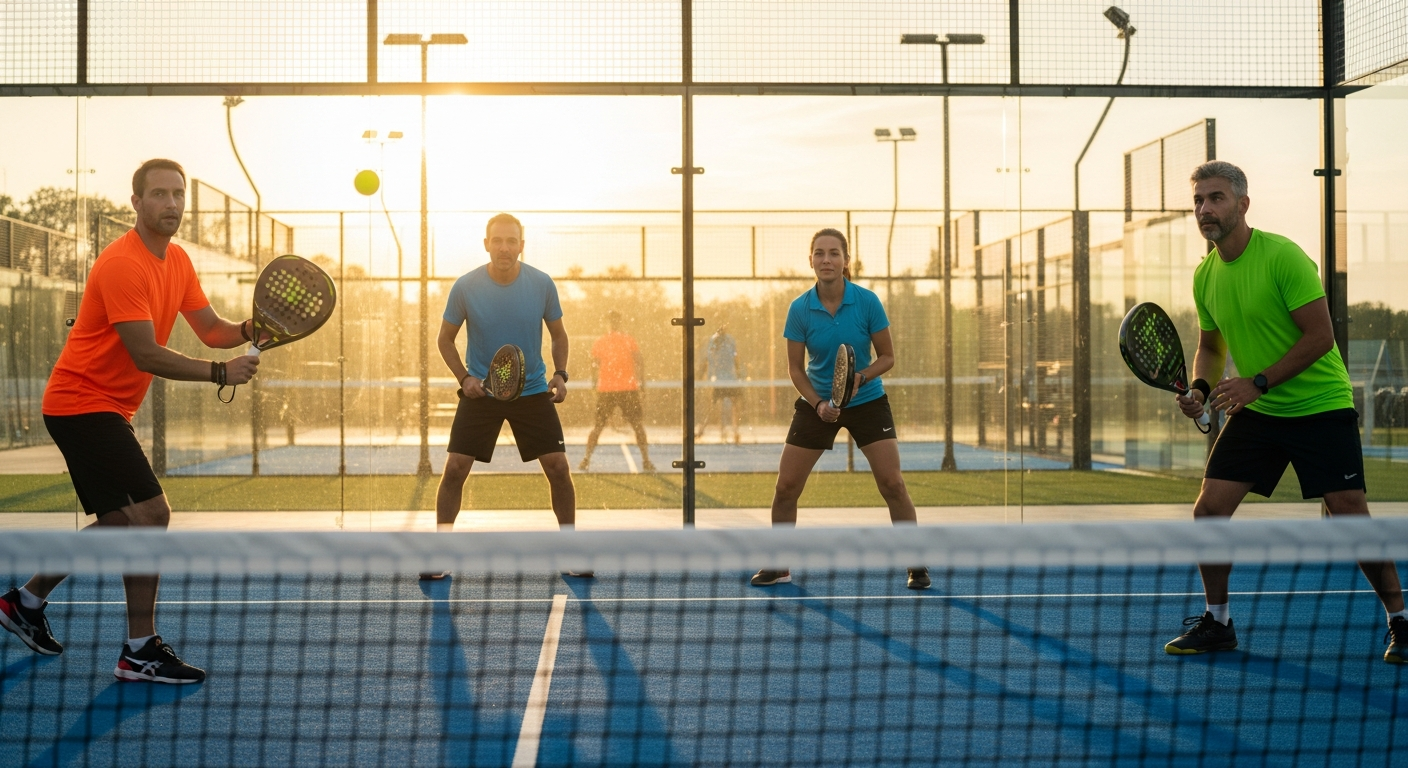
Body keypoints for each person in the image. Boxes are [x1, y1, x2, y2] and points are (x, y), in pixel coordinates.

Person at [0, 159, 261, 683]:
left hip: (101, 408)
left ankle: (24, 602)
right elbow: (146, 354)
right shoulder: (123, 263)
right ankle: (140, 649)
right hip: (81, 403)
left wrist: (256, 327)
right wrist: (221, 374)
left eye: (178, 195)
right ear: (136, 203)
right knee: (153, 514)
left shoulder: (178, 261)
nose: (171, 204)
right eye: (159, 194)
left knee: (122, 525)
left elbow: (211, 329)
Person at [1166, 161, 1406, 662]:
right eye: (1198, 201)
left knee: (1349, 516)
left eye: (1216, 198)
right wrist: (1200, 386)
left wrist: (1256, 383)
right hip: (1260, 410)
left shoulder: (1283, 258)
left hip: (1318, 405)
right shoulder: (1206, 275)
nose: (1205, 210)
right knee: (1209, 511)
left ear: (1242, 204)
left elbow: (1321, 337)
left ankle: (1401, 621)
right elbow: (1210, 345)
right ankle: (1219, 622)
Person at [750, 228, 928, 590]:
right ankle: (779, 564)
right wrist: (818, 404)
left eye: (834, 253)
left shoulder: (867, 302)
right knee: (786, 487)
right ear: (811, 260)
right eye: (819, 253)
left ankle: (916, 563)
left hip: (868, 401)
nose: (826, 260)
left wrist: (860, 377)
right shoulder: (800, 308)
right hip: (816, 403)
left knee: (892, 483)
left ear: (847, 261)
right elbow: (795, 369)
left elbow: (888, 357)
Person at [425, 213, 587, 579]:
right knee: (453, 471)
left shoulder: (542, 284)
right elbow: (444, 340)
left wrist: (561, 374)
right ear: (486, 244)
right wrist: (464, 377)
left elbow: (559, 335)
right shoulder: (465, 287)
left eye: (511, 241)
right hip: (481, 394)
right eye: (497, 240)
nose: (504, 247)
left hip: (532, 392)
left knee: (559, 469)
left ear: (521, 245)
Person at [579, 310, 654, 472]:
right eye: (611, 320)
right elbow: (594, 364)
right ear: (607, 322)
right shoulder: (601, 342)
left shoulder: (628, 340)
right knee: (598, 426)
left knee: (637, 426)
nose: (613, 323)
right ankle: (586, 459)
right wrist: (594, 383)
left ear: (619, 322)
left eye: (615, 320)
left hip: (627, 388)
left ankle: (646, 460)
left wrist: (642, 381)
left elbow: (639, 360)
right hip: (607, 390)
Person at [696, 324, 744, 444]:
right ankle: (730, 432)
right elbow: (712, 359)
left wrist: (708, 376)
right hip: (725, 378)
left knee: (722, 404)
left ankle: (730, 432)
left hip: (725, 378)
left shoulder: (722, 340)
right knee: (723, 404)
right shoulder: (719, 340)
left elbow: (710, 359)